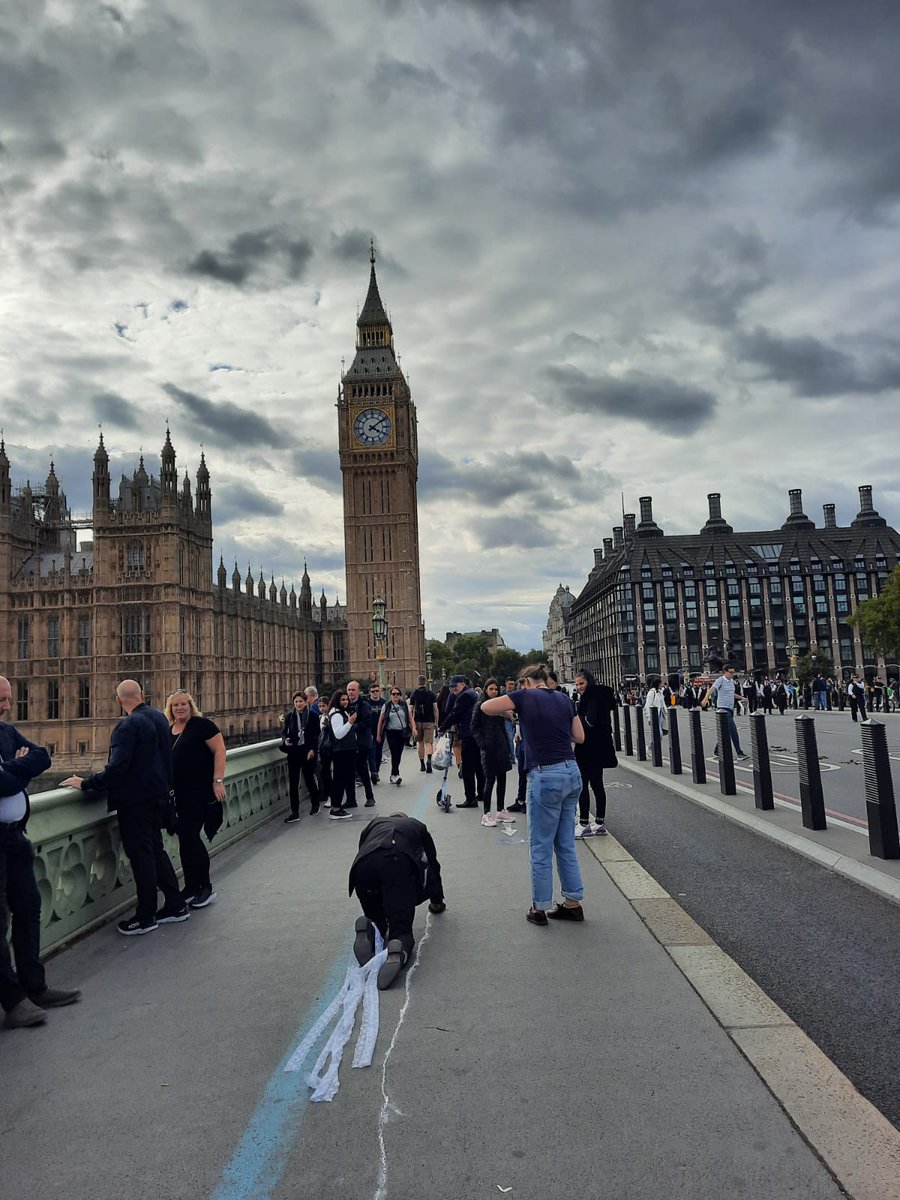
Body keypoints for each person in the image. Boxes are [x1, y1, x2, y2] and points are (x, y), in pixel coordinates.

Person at [63, 679, 188, 935]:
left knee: (142, 857)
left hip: (136, 802)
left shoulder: (127, 726)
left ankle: (146, 916)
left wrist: (86, 783)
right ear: (142, 695)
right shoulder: (158, 717)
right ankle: (176, 905)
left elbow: (117, 768)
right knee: (156, 850)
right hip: (159, 796)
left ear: (119, 701)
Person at [1, 675, 81, 1029]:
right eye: (1, 699)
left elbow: (42, 756)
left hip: (15, 837)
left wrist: (11, 770)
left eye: (8, 698)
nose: (7, 705)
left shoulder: (5, 731)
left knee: (29, 908)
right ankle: (14, 1000)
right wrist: (18, 774)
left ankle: (34, 987)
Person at [482, 663, 585, 926]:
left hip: (545, 774)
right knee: (565, 843)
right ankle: (573, 903)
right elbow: (579, 736)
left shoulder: (524, 696)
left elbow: (486, 706)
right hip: (571, 770)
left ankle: (539, 907)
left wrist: (513, 711)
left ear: (526, 682)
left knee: (540, 845)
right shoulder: (563, 698)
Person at [349, 811, 445, 990]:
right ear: (405, 818)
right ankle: (398, 948)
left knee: (377, 918)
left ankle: (371, 928)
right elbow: (432, 864)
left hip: (362, 866)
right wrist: (436, 901)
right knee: (401, 930)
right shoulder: (416, 826)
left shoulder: (374, 824)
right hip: (394, 861)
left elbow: (362, 848)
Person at [166, 689, 226, 909]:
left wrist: (217, 780)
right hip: (177, 795)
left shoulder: (202, 725)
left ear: (191, 706)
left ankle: (205, 887)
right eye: (175, 705)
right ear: (170, 709)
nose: (179, 708)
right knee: (184, 840)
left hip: (199, 792)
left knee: (191, 837)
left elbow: (220, 750)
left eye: (183, 704)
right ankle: (191, 887)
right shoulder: (169, 730)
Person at [573, 669, 617, 838]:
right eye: (576, 684)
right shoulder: (601, 696)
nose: (578, 687)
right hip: (600, 746)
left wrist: (575, 719)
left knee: (582, 785)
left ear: (589, 683)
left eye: (581, 683)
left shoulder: (591, 697)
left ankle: (584, 823)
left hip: (588, 747)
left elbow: (590, 721)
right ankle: (599, 822)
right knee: (597, 784)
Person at [471, 678, 515, 826]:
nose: (494, 692)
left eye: (496, 689)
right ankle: (486, 813)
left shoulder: (498, 707)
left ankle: (500, 810)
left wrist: (508, 747)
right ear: (485, 690)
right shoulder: (480, 706)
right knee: (490, 780)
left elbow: (503, 727)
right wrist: (482, 744)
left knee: (502, 778)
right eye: (491, 689)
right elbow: (474, 727)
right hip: (488, 747)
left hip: (501, 746)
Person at [439, 675, 483, 808]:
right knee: (478, 766)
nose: (452, 689)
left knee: (468, 768)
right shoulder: (473, 693)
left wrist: (442, 727)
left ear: (462, 684)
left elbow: (455, 713)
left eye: (455, 686)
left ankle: (470, 799)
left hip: (468, 734)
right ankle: (481, 793)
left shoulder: (464, 696)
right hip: (477, 734)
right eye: (451, 686)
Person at [281, 690, 321, 821]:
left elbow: (316, 735)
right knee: (293, 783)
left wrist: (312, 750)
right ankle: (295, 813)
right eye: (296, 702)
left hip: (307, 751)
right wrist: (285, 740)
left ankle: (315, 804)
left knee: (309, 778)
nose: (298, 704)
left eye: (300, 701)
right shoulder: (289, 717)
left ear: (305, 702)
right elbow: (284, 733)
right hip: (294, 752)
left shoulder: (313, 716)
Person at [701, 665, 748, 759]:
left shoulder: (731, 682)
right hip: (723, 709)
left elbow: (732, 693)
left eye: (733, 672)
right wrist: (705, 699)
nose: (732, 674)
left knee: (725, 731)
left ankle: (717, 750)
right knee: (733, 730)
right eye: (730, 672)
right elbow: (711, 690)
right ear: (725, 672)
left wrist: (742, 698)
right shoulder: (720, 680)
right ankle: (739, 752)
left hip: (730, 709)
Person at [326, 690, 358, 819]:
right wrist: (350, 722)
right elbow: (338, 734)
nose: (345, 702)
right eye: (342, 700)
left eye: (346, 699)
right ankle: (335, 808)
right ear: (337, 701)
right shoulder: (336, 714)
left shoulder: (343, 712)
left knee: (345, 778)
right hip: (341, 751)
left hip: (348, 750)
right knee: (339, 780)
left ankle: (340, 805)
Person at [346, 681, 376, 807]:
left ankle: (370, 797)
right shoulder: (345, 704)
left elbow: (368, 722)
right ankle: (351, 800)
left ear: (358, 691)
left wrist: (353, 726)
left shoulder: (364, 705)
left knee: (362, 769)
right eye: (349, 690)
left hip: (361, 742)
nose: (350, 692)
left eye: (353, 690)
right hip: (348, 743)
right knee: (348, 771)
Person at [377, 687, 414, 785]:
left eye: (397, 693)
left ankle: (394, 774)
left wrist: (414, 728)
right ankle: (395, 774)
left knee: (399, 753)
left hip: (402, 732)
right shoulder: (387, 705)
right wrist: (379, 734)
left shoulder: (403, 705)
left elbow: (410, 718)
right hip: (391, 732)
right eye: (393, 694)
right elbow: (380, 721)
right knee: (394, 752)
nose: (396, 695)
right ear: (391, 695)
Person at [409, 676, 438, 773]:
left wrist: (412, 724)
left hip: (418, 721)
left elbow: (411, 710)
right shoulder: (431, 694)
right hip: (429, 720)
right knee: (428, 742)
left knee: (420, 742)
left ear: (418, 682)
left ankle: (422, 765)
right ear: (425, 682)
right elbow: (435, 709)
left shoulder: (414, 694)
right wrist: (436, 722)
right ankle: (429, 760)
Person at [366, 683, 386, 783]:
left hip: (381, 731)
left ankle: (376, 771)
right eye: (373, 691)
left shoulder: (384, 703)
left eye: (377, 691)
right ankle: (373, 772)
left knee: (378, 752)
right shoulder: (367, 703)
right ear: (370, 692)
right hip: (370, 731)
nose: (375, 693)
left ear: (380, 691)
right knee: (371, 752)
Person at [643, 675, 668, 745]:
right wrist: (649, 718)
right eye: (660, 684)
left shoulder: (660, 692)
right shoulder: (651, 693)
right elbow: (647, 706)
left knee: (659, 734)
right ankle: (650, 748)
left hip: (660, 715)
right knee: (658, 734)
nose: (661, 685)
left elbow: (663, 704)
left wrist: (667, 712)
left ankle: (653, 750)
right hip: (654, 715)